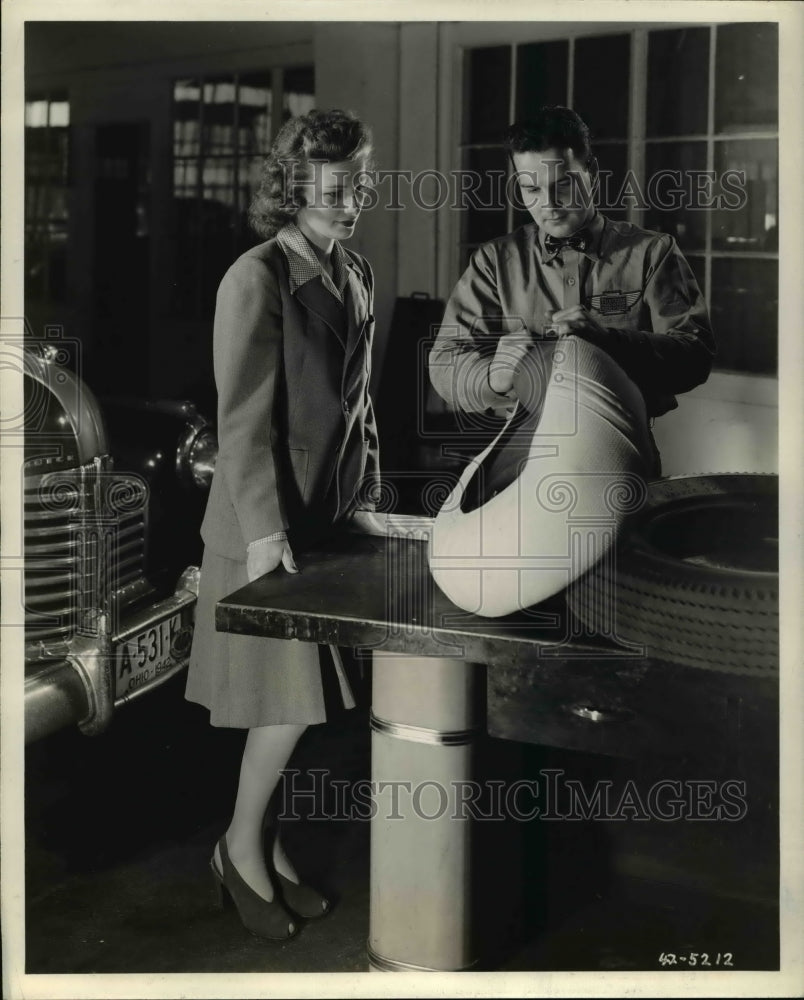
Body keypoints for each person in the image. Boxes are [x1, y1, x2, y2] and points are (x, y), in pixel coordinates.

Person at [185, 109, 380, 940]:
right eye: (334, 191)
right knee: (288, 706)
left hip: (324, 525)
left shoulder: (355, 272)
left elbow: (357, 407)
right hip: (262, 532)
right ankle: (236, 847)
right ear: (295, 188)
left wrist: (367, 497)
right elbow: (242, 425)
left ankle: (264, 842)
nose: (350, 203)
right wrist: (269, 538)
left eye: (360, 187)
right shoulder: (255, 277)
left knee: (300, 705)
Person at [427, 106, 715, 617]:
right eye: (530, 190)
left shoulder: (651, 253)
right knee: (516, 616)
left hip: (618, 462)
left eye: (563, 185)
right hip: (516, 466)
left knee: (612, 612)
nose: (547, 204)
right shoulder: (495, 262)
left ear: (592, 175)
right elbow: (446, 362)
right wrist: (494, 376)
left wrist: (611, 341)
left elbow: (695, 356)